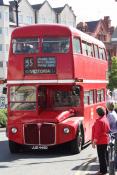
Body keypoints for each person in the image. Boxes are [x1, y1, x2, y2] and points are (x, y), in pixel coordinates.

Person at [92, 106, 110, 175]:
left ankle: (103, 171)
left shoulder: (99, 121)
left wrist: (94, 143)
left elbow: (97, 134)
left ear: (98, 113)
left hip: (101, 141)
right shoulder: (105, 119)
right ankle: (104, 170)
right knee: (104, 156)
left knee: (101, 157)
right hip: (105, 140)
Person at [106, 101, 117, 168]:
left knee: (111, 150)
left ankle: (113, 165)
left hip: (112, 134)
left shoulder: (109, 115)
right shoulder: (114, 112)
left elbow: (108, 126)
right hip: (115, 132)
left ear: (108, 107)